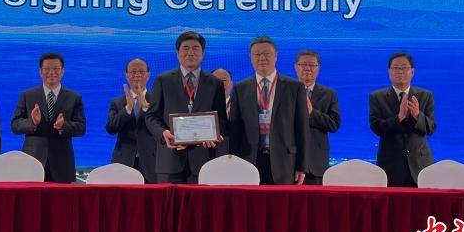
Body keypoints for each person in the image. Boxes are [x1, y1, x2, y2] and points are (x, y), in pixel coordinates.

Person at [144, 32, 227, 184]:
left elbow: (221, 119)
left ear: (203, 53)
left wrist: (214, 135)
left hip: (204, 161)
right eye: (186, 48)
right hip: (169, 161)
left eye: (195, 48)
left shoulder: (215, 83)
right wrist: (163, 133)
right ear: (177, 53)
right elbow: (151, 116)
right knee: (169, 201)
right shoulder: (163, 80)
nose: (190, 52)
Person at [229, 36, 310, 185]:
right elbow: (235, 130)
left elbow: (302, 128)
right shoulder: (240, 88)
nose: (262, 58)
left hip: (285, 161)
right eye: (257, 54)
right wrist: (234, 162)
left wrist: (302, 166)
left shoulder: (294, 87)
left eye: (266, 53)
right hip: (249, 160)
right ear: (251, 58)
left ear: (276, 56)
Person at [11, 52, 86, 183]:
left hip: (62, 162)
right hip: (33, 160)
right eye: (47, 69)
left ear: (62, 71)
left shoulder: (74, 97)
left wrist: (64, 126)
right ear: (40, 72)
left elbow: (81, 128)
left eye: (56, 69)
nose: (52, 73)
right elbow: (15, 125)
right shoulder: (27, 95)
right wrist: (32, 122)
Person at [369, 51, 436, 187]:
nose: (400, 71)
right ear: (389, 71)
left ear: (412, 71)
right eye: (395, 68)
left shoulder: (425, 95)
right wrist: (398, 118)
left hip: (420, 164)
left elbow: (431, 128)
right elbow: (377, 128)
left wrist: (417, 116)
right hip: (390, 164)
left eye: (404, 68)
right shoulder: (377, 97)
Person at [105, 58, 157, 183]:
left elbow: (162, 126)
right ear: (126, 75)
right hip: (123, 161)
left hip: (152, 162)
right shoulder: (117, 102)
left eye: (141, 71)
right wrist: (127, 109)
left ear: (148, 75)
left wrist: (146, 108)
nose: (137, 75)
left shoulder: (158, 100)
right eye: (133, 72)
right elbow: (111, 128)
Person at [294, 50, 340, 185]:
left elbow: (334, 124)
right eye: (303, 64)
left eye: (312, 65)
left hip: (316, 162)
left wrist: (312, 113)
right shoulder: (286, 91)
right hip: (290, 159)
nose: (307, 68)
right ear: (296, 67)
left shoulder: (329, 94)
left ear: (318, 68)